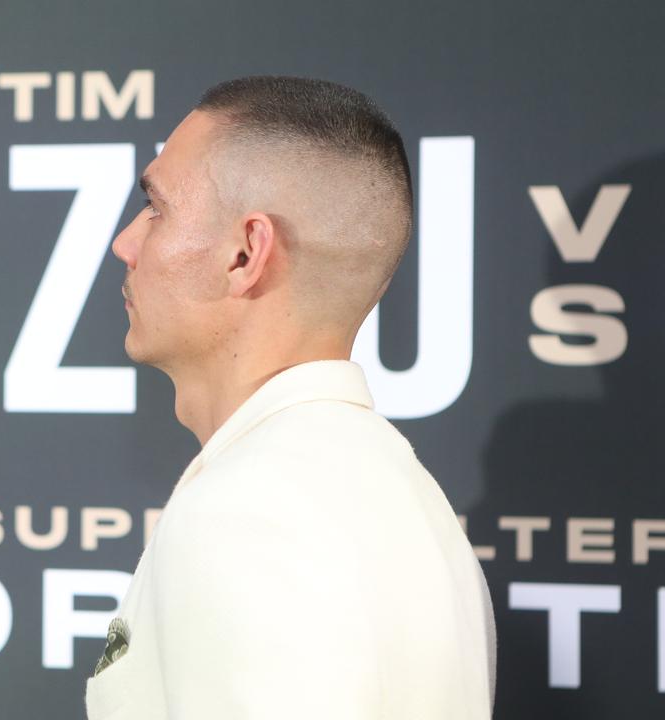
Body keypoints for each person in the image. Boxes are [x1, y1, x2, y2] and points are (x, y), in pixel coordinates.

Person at [86, 76, 496, 719]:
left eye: (157, 208)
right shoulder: (414, 499)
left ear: (246, 253)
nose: (125, 244)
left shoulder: (245, 512)